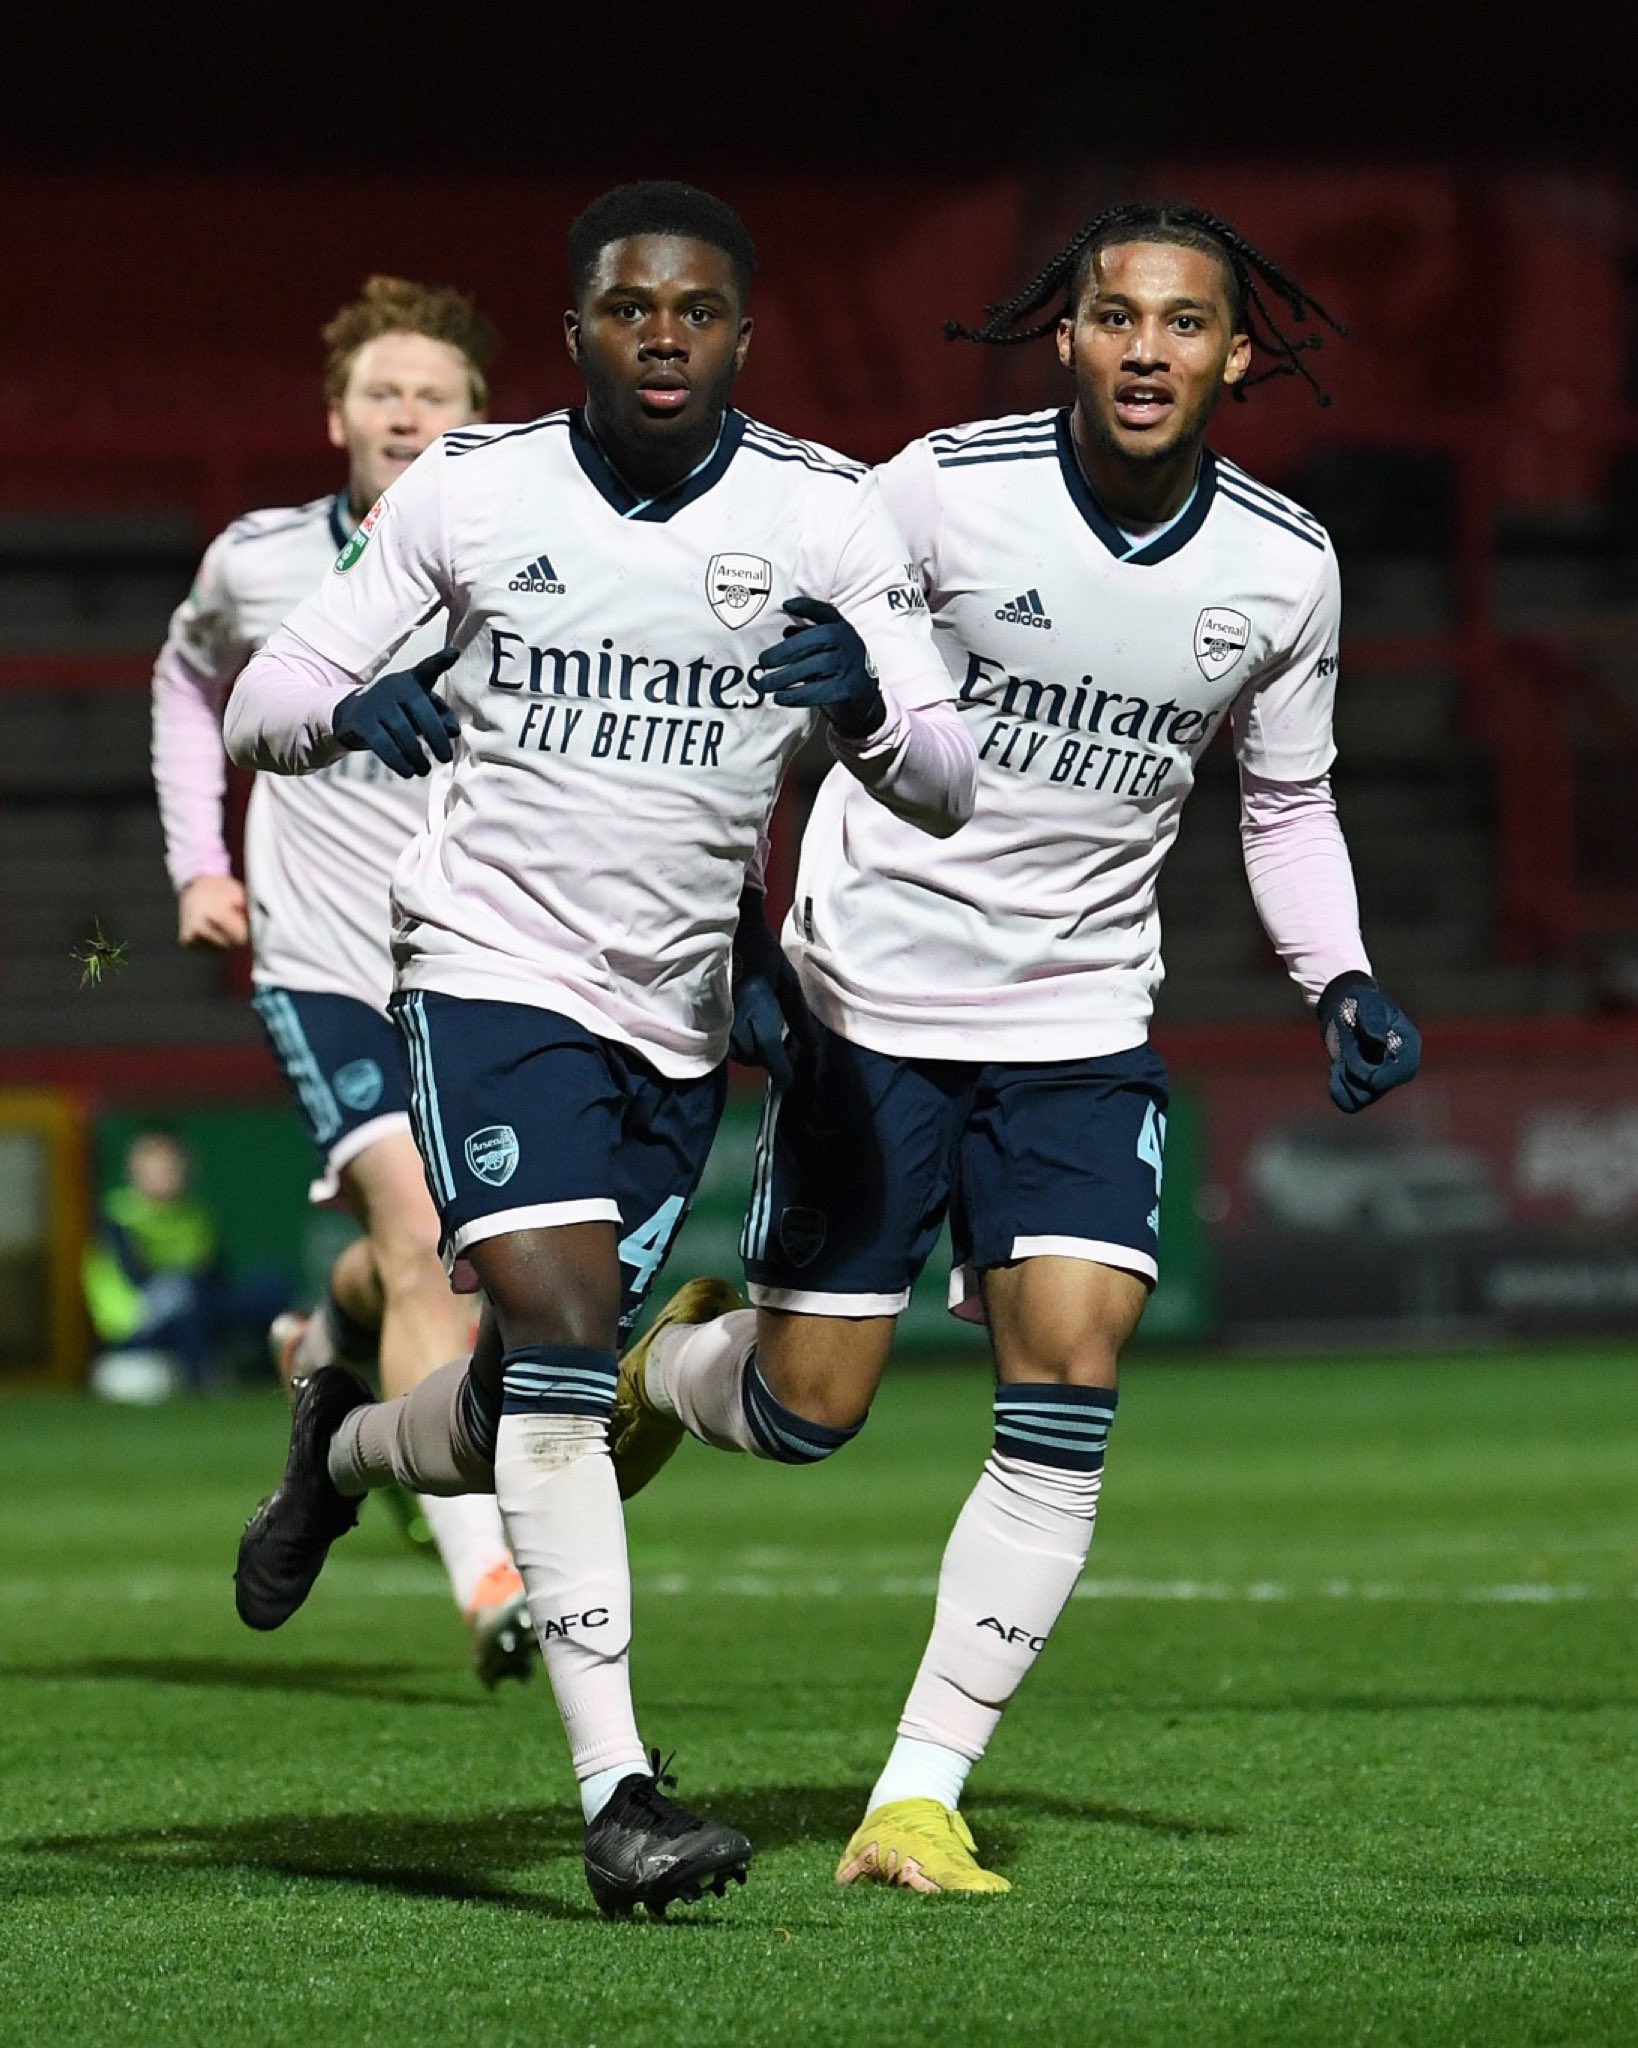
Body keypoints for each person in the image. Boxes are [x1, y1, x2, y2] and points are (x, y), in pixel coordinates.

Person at [614, 200, 1423, 1893]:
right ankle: (677, 1369)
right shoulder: (930, 493)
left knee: (1067, 1374)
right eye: (1114, 317)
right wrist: (735, 933)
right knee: (807, 1410)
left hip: (1076, 1019)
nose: (1145, 348)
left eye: (1182, 323)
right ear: (1060, 336)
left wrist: (1336, 972)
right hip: (866, 1008)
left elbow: (1281, 798)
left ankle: (914, 1795)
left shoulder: (1278, 567)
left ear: (1233, 354)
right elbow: (769, 700)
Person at [221, 181, 976, 1917]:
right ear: (570, 329)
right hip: (486, 971)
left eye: (694, 309)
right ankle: (619, 1793)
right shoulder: (467, 496)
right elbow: (269, 698)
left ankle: (337, 1440)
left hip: (679, 1018)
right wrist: (354, 703)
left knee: (520, 1403)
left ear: (738, 333)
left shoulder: (823, 514)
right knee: (560, 1330)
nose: (660, 332)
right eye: (627, 306)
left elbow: (941, 773)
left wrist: (859, 703)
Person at [148, 276, 536, 1687]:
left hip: (476, 958)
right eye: (385, 391)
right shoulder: (257, 562)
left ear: (477, 427)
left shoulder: (520, 564)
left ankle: (326, 1336)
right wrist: (201, 861)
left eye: (437, 395)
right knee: (436, 1226)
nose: (407, 412)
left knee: (456, 1257)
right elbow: (187, 683)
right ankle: (491, 1577)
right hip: (321, 964)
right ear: (337, 417)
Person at [82, 1127, 287, 1393]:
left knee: (270, 1287)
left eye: (170, 1165)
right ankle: (204, 1378)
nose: (165, 1174)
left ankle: (274, 1375)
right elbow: (138, 1279)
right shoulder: (116, 1217)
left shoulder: (195, 1215)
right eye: (155, 1166)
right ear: (134, 1170)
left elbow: (217, 1276)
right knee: (185, 1290)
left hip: (197, 1306)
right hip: (137, 1324)